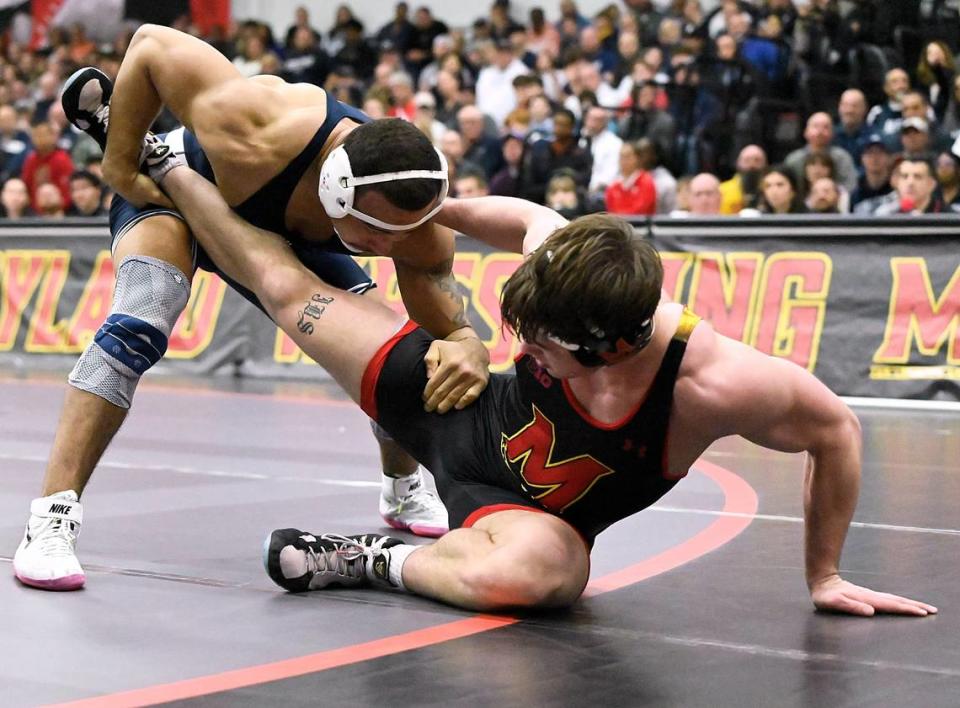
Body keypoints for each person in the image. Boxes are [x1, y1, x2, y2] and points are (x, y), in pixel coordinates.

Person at [146, 140, 937, 617]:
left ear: (610, 346)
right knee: (288, 293)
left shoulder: (719, 383)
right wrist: (429, 217)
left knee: (545, 582)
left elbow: (837, 429)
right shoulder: (571, 267)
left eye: (546, 349)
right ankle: (170, 168)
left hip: (526, 516)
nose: (529, 352)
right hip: (455, 406)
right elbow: (526, 221)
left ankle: (366, 558)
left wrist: (824, 574)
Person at [12, 25, 492, 591]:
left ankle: (402, 487)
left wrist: (466, 344)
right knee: (144, 314)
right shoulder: (255, 125)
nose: (388, 248)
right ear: (337, 194)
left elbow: (444, 328)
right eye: (373, 234)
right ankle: (50, 516)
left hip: (276, 237)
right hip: (179, 191)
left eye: (399, 234)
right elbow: (151, 44)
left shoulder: (418, 232)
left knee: (385, 349)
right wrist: (120, 167)